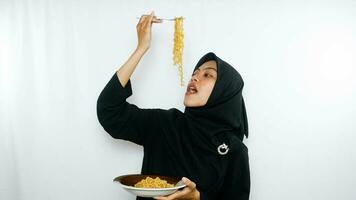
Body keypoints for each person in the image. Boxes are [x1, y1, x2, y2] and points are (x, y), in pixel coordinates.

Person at [96, 11, 250, 200]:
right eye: (196, 72)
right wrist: (141, 48)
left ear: (224, 92)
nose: (194, 77)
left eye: (207, 75)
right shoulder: (164, 124)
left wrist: (196, 198)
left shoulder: (234, 150)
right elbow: (108, 110)